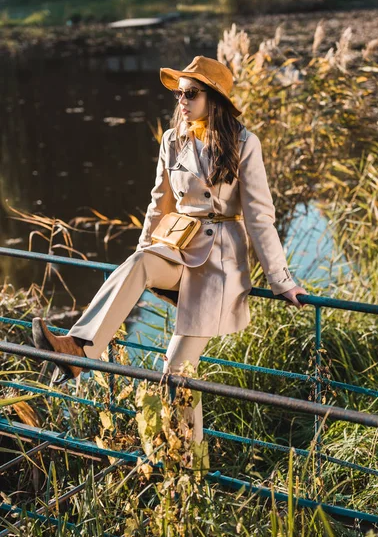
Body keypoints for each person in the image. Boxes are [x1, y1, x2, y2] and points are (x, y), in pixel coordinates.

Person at [32, 55, 307, 448]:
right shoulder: (172, 138)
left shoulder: (245, 143)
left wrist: (282, 281)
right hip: (179, 249)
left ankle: (190, 467)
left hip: (220, 264)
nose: (182, 100)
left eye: (190, 93)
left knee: (177, 369)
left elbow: (261, 217)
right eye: (179, 93)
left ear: (214, 98)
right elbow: (159, 202)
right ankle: (77, 349)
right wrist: (144, 252)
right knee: (140, 261)